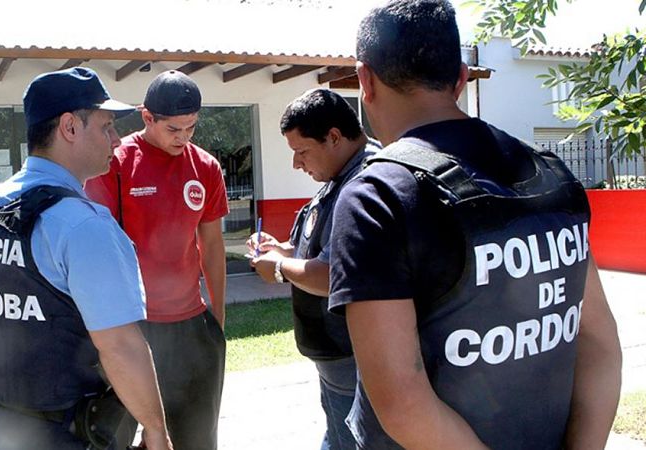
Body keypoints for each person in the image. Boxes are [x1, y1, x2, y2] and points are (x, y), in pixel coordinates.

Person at [328, 1, 623, 449]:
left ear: (365, 80)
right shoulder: (552, 174)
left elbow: (402, 402)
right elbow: (600, 345)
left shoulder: (377, 197)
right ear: (462, 78)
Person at [0, 67, 172, 450]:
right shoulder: (82, 225)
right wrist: (155, 429)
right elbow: (119, 345)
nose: (117, 138)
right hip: (62, 432)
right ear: (70, 127)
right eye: (107, 125)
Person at [85, 70, 228, 450]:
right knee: (117, 439)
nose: (183, 138)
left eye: (191, 128)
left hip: (191, 329)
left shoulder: (207, 168)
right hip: (132, 327)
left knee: (196, 440)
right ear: (147, 117)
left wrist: (217, 318)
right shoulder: (116, 162)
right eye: (174, 129)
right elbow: (99, 247)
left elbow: (211, 245)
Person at [246, 88, 379, 450]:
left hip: (355, 359)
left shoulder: (368, 184)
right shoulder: (340, 177)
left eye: (302, 152)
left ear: (334, 137)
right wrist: (283, 250)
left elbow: (337, 272)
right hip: (335, 355)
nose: (296, 164)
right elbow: (319, 246)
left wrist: (280, 268)